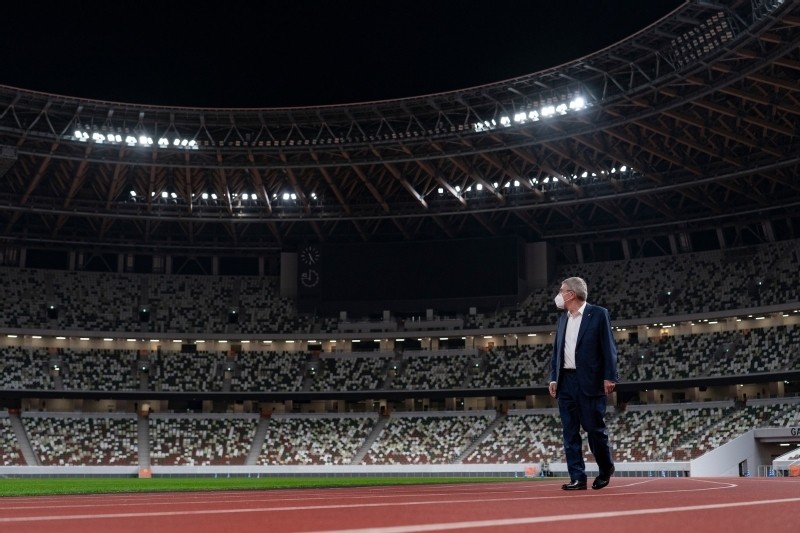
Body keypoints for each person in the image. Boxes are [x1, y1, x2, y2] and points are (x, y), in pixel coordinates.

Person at [548, 277, 619, 491]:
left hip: (589, 380)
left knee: (594, 429)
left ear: (571, 294)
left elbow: (608, 346)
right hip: (565, 381)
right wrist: (554, 377)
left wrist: (610, 376)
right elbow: (557, 351)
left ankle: (605, 468)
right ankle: (577, 477)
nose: (559, 295)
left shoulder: (598, 314)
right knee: (569, 432)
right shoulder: (563, 319)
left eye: (562, 291)